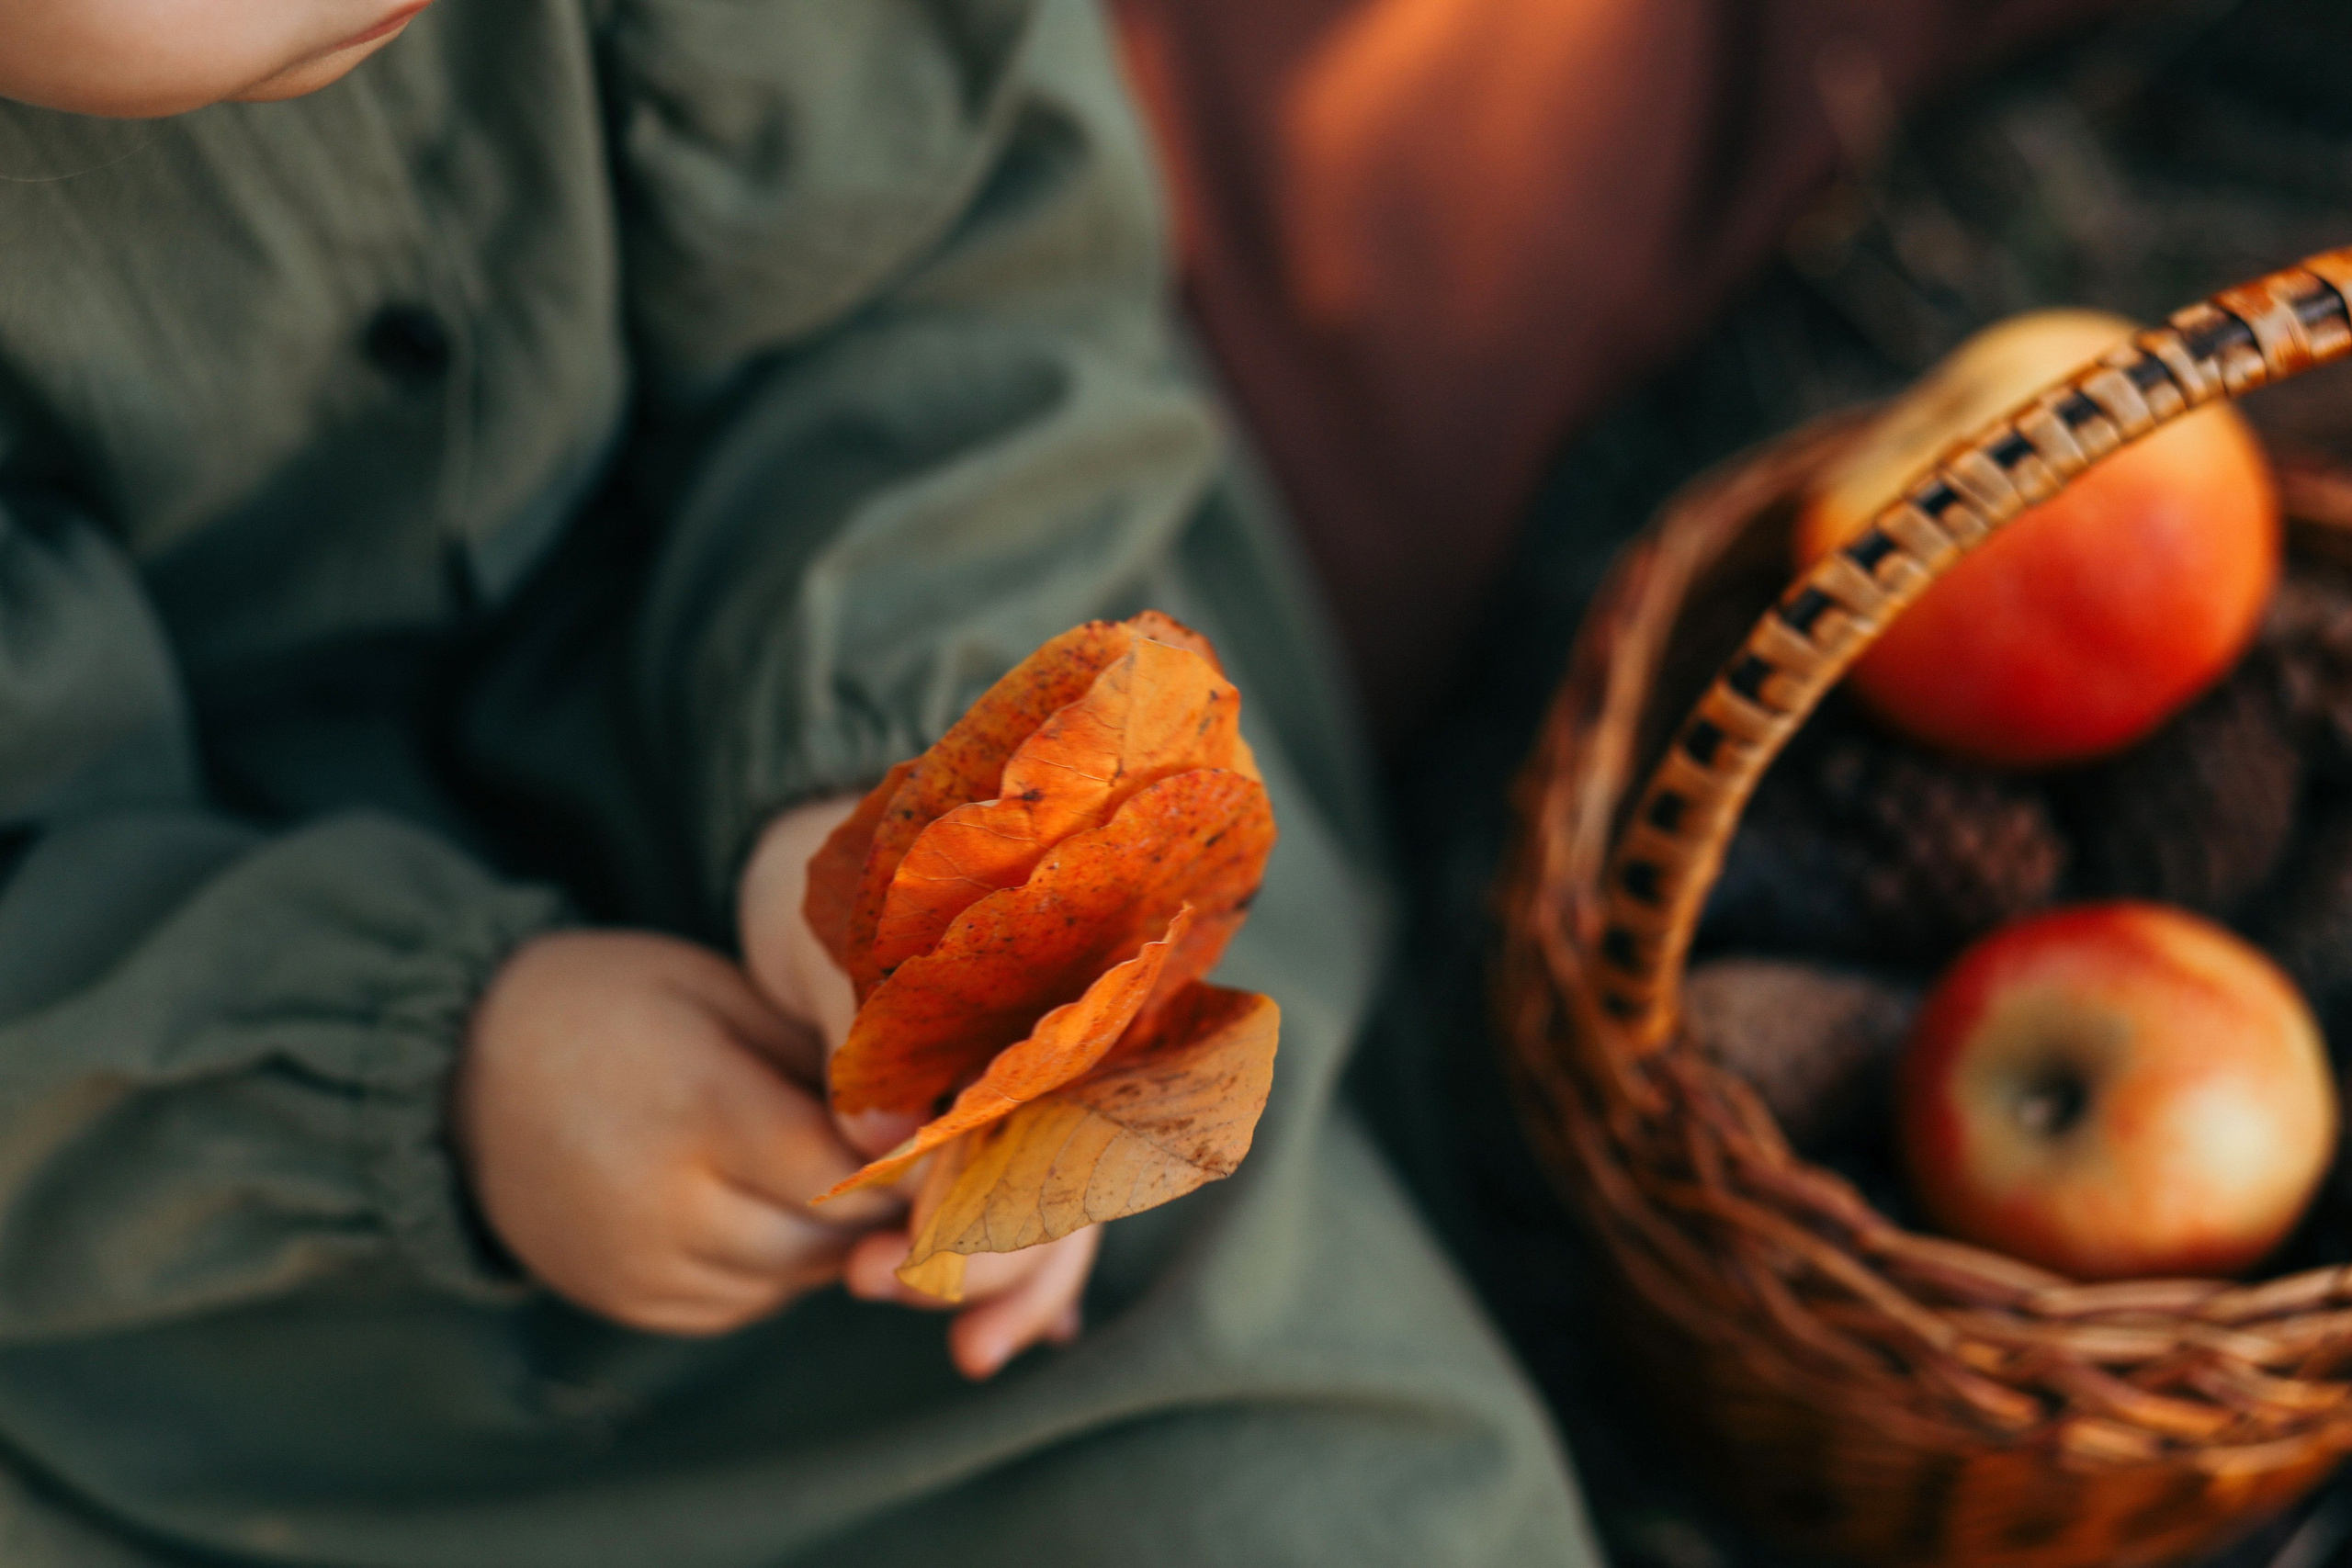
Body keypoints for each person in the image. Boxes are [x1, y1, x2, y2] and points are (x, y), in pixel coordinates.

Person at [0, 2, 1593, 1564]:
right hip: (202, 1190)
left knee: (1311, 1468)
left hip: (872, 613)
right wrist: (433, 1077)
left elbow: (943, 274)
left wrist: (893, 811)